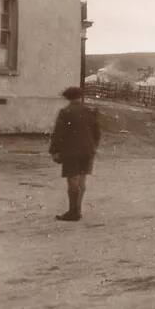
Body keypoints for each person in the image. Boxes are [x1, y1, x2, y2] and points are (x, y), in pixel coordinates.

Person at [48, 87, 101, 221]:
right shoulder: (91, 111)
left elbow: (58, 134)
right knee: (82, 182)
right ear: (80, 96)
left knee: (73, 181)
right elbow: (97, 134)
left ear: (68, 98)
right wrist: (93, 147)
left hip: (71, 151)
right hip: (88, 151)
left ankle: (73, 212)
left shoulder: (65, 112)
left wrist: (54, 151)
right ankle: (78, 210)